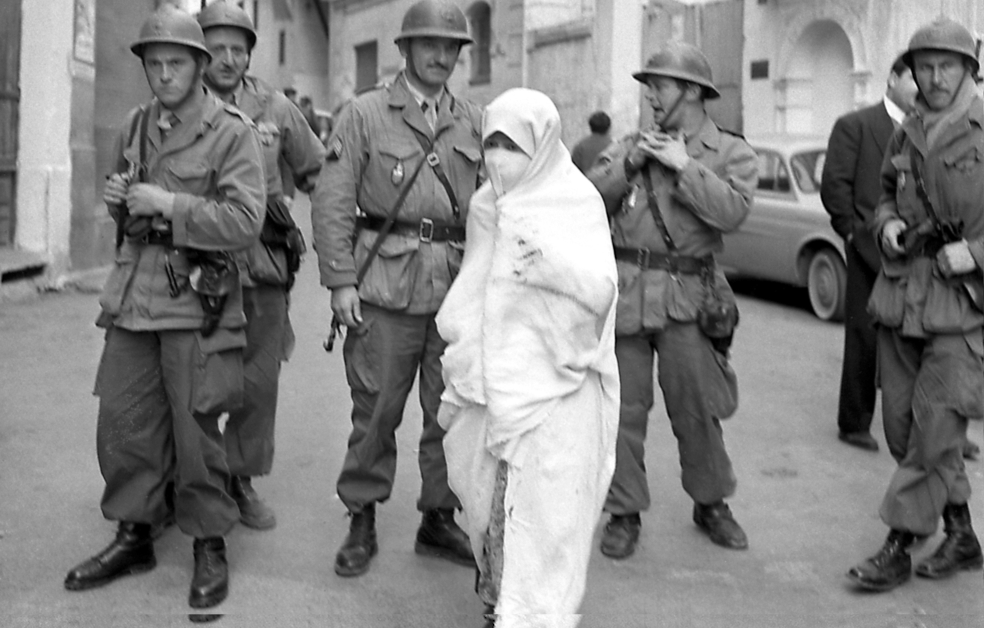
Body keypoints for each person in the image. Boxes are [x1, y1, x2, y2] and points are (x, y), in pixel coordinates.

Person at [63, 5, 266, 611]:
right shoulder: (136, 123)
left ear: (200, 66)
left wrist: (169, 203)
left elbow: (246, 221)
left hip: (196, 300)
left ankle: (209, 542)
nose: (165, 74)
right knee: (123, 419)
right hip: (133, 295)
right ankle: (135, 532)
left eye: (176, 63)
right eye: (155, 64)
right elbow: (128, 212)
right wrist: (120, 199)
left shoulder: (231, 131)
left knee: (196, 428)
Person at [310, 0, 483, 578]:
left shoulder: (474, 121)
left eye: (451, 46)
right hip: (384, 286)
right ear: (405, 49)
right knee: (377, 408)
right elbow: (333, 201)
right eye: (429, 44)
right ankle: (361, 513)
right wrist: (340, 281)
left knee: (450, 411)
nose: (441, 55)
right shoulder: (364, 114)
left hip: (455, 291)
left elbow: (492, 205)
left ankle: (439, 516)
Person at [438, 88, 620, 628]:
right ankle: (498, 602)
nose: (498, 159)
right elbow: (471, 293)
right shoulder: (485, 207)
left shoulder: (576, 202)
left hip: (557, 394)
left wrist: (545, 269)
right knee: (488, 509)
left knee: (545, 519)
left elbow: (598, 294)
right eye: (490, 144)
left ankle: (531, 616)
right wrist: (468, 357)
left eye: (511, 146)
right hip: (487, 390)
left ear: (541, 146)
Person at [586, 41, 757, 559]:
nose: (651, 97)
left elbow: (732, 213)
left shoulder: (730, 152)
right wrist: (630, 163)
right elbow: (588, 199)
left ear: (691, 91)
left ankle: (711, 502)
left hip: (689, 298)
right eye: (650, 88)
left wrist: (685, 166)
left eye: (659, 86)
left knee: (696, 407)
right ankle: (624, 511)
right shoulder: (631, 144)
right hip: (630, 293)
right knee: (623, 411)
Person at [846, 17, 984, 592]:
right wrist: (888, 225)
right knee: (903, 429)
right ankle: (962, 533)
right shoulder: (906, 133)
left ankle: (898, 545)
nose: (934, 77)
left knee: (932, 433)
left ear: (969, 69)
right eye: (924, 67)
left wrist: (976, 253)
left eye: (946, 65)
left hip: (961, 308)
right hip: (902, 296)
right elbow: (884, 194)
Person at [197, 0, 325, 530]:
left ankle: (240, 477)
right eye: (216, 49)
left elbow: (318, 172)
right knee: (195, 377)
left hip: (264, 265)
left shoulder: (275, 108)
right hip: (197, 266)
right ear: (198, 52)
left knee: (257, 380)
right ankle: (192, 476)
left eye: (238, 49)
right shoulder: (181, 103)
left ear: (250, 54)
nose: (228, 59)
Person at [821, 54, 919, 452]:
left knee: (921, 339)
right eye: (915, 77)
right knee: (863, 336)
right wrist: (852, 233)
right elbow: (835, 186)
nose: (924, 86)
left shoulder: (925, 130)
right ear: (893, 78)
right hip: (867, 249)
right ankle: (854, 422)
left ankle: (934, 425)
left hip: (917, 252)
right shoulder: (855, 125)